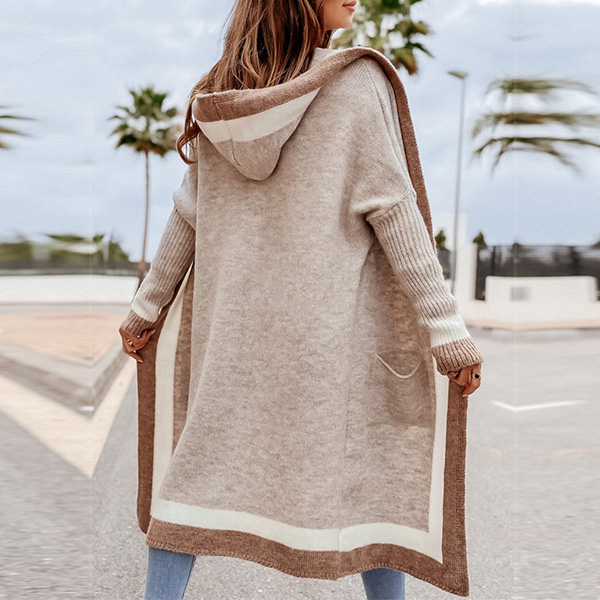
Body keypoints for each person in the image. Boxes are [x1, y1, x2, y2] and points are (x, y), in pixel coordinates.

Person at [118, 1, 484, 599]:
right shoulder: (355, 83)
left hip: (229, 343)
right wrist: (446, 329)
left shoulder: (224, 97)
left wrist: (145, 309)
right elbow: (394, 209)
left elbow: (189, 212)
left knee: (191, 480)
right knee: (374, 484)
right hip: (328, 340)